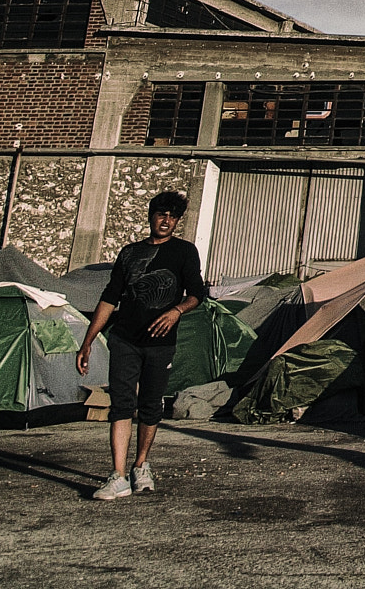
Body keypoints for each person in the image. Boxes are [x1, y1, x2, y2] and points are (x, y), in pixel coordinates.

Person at [77, 191, 206, 501]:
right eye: (161, 214)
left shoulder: (184, 252)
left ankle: (141, 466)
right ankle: (118, 476)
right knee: (121, 404)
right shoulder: (130, 253)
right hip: (124, 340)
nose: (166, 220)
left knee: (150, 405)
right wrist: (88, 340)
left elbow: (197, 293)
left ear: (177, 222)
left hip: (160, 344)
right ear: (151, 216)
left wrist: (176, 312)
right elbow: (110, 298)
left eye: (173, 217)